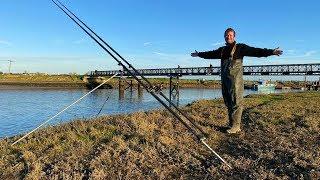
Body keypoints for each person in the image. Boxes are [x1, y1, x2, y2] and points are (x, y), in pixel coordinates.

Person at [191, 28, 283, 133]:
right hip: (225, 79)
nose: (228, 37)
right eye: (226, 35)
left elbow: (256, 51)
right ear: (224, 36)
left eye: (230, 35)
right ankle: (231, 125)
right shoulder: (222, 50)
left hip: (236, 81)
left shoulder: (240, 48)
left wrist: (271, 52)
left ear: (234, 36)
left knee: (236, 101)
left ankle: (236, 126)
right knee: (228, 101)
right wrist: (199, 54)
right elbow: (210, 54)